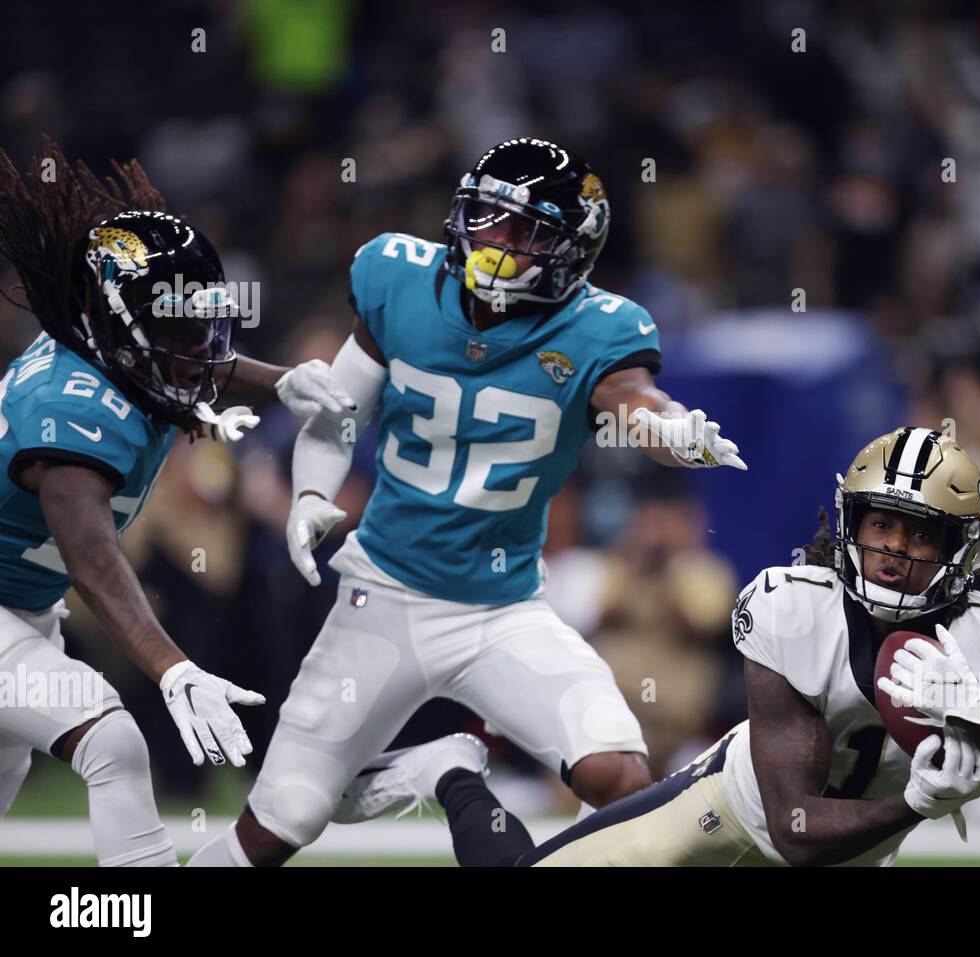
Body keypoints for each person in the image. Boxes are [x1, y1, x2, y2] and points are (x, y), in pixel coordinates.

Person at [191, 137, 747, 866]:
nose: (496, 242)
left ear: (570, 251)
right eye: (487, 216)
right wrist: (311, 495)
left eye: (526, 231)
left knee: (621, 775)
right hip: (382, 595)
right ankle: (428, 768)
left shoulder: (600, 327)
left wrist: (669, 428)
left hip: (501, 610)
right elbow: (336, 409)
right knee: (281, 820)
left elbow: (634, 403)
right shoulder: (399, 276)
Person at [410, 428, 980, 866]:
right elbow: (790, 825)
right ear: (850, 524)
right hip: (728, 809)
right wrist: (910, 805)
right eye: (881, 526)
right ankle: (454, 773)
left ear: (958, 547)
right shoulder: (794, 605)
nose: (894, 551)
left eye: (919, 535)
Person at [0, 146, 355, 865]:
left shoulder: (114, 348)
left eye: (205, 319)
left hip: (23, 612)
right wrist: (173, 667)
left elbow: (187, 367)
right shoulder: (69, 412)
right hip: (12, 610)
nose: (204, 347)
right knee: (113, 739)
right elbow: (94, 559)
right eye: (180, 329)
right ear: (123, 328)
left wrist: (280, 380)